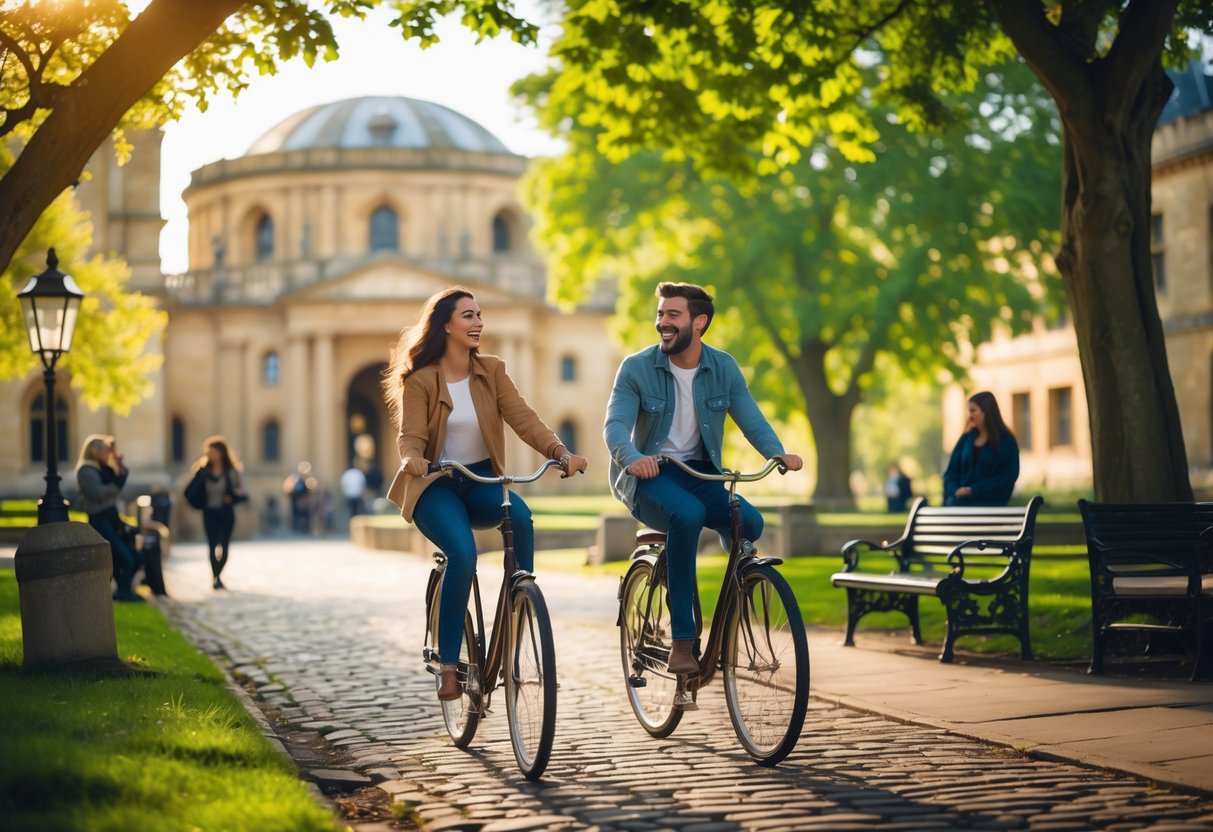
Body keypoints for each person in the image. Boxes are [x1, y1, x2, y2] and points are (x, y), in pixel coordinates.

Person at [383, 286, 588, 701]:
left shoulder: (491, 370)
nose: (478, 323)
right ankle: (447, 664)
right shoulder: (420, 380)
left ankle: (519, 604)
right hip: (435, 485)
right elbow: (411, 436)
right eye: (468, 316)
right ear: (445, 325)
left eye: (480, 315)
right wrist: (413, 459)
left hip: (479, 480)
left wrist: (559, 452)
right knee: (463, 554)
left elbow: (523, 418)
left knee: (522, 518)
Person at [604, 282, 803, 677]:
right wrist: (633, 458)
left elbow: (750, 417)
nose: (662, 322)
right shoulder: (636, 368)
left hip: (700, 472)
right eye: (660, 314)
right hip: (650, 477)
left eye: (672, 315)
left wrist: (776, 452)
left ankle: (739, 588)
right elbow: (614, 427)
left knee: (750, 522)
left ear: (700, 322)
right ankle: (682, 639)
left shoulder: (722, 367)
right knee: (689, 515)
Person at [75, 434, 144, 602]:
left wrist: (119, 464)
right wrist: (116, 485)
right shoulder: (86, 471)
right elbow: (100, 494)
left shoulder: (103, 469)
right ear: (95, 450)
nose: (108, 453)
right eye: (106, 450)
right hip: (100, 520)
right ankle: (123, 593)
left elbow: (118, 482)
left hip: (112, 517)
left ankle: (124, 591)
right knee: (123, 556)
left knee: (132, 556)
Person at [186, 436, 247, 589]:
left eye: (214, 452)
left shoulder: (232, 471)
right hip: (209, 513)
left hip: (226, 513)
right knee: (212, 545)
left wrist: (231, 498)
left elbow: (241, 493)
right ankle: (216, 578)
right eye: (209, 452)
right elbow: (191, 491)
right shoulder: (202, 471)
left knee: (224, 546)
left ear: (221, 453)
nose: (211, 455)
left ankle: (218, 575)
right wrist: (200, 503)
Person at [943, 391, 1020, 507]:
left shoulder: (1006, 441)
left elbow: (1008, 475)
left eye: (973, 410)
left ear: (986, 412)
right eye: (969, 411)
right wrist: (955, 491)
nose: (969, 415)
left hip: (992, 507)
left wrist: (974, 490)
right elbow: (951, 473)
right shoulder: (965, 440)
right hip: (960, 506)